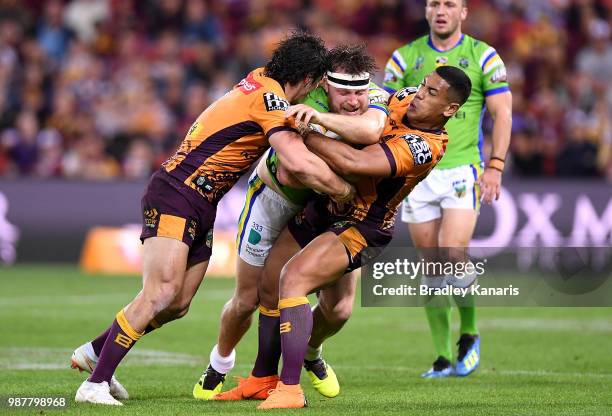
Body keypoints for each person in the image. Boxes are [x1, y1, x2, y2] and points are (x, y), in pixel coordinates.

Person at [70, 31, 353, 406]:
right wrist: (345, 191)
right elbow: (296, 161)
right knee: (160, 292)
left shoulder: (259, 79)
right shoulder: (270, 99)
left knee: (178, 303)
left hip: (202, 202)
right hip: (178, 194)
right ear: (306, 81)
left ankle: (94, 352)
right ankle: (95, 383)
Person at [257, 66, 472, 409]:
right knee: (271, 285)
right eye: (423, 85)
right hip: (326, 202)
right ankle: (262, 379)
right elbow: (364, 115)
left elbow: (354, 160)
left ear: (450, 110)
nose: (419, 94)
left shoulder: (424, 147)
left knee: (328, 304)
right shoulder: (400, 99)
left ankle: (294, 382)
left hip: (362, 223)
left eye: (432, 93)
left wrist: (303, 128)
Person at [193, 44, 389, 400]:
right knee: (248, 298)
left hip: (326, 206)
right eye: (344, 92)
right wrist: (343, 185)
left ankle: (310, 351)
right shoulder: (305, 98)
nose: (353, 101)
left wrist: (321, 127)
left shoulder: (371, 98)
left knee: (340, 309)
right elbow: (290, 172)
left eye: (360, 93)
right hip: (274, 199)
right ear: (324, 86)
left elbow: (373, 131)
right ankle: (220, 362)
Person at [383, 0, 512, 378]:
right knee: (432, 264)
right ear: (426, 11)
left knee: (454, 253)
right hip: (417, 170)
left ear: (463, 12)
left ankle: (469, 332)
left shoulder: (484, 56)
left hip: (460, 169)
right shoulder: (403, 58)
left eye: (449, 4)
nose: (441, 10)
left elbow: (502, 112)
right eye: (434, 3)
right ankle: (442, 356)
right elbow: (385, 107)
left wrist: (496, 165)